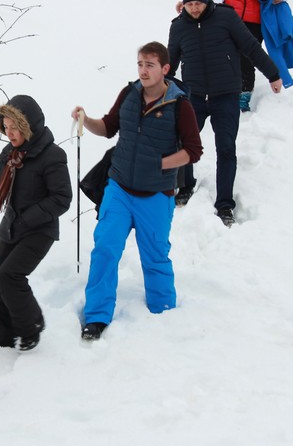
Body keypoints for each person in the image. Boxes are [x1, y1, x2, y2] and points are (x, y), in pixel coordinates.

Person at [70, 42, 203, 341]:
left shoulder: (180, 105)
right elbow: (108, 127)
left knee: (155, 256)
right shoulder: (129, 94)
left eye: (150, 65)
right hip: (118, 188)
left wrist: (160, 164)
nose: (143, 70)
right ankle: (96, 316)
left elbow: (193, 151)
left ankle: (164, 311)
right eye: (140, 64)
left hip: (156, 195)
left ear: (165, 69)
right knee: (105, 248)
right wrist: (85, 119)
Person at [167, 0, 283, 225]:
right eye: (190, 4)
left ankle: (225, 204)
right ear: (183, 3)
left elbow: (251, 48)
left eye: (198, 2)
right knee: (183, 143)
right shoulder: (178, 26)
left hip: (226, 96)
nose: (195, 8)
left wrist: (273, 74)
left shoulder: (226, 17)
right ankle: (185, 186)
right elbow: (170, 64)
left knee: (226, 148)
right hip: (194, 97)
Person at [0, 95, 72, 351]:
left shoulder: (52, 155)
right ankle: (2, 343)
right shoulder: (11, 152)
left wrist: (29, 217)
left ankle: (31, 328)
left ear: (30, 125)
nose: (10, 133)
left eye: (15, 127)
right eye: (5, 127)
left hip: (39, 231)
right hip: (12, 228)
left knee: (10, 276)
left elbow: (62, 199)